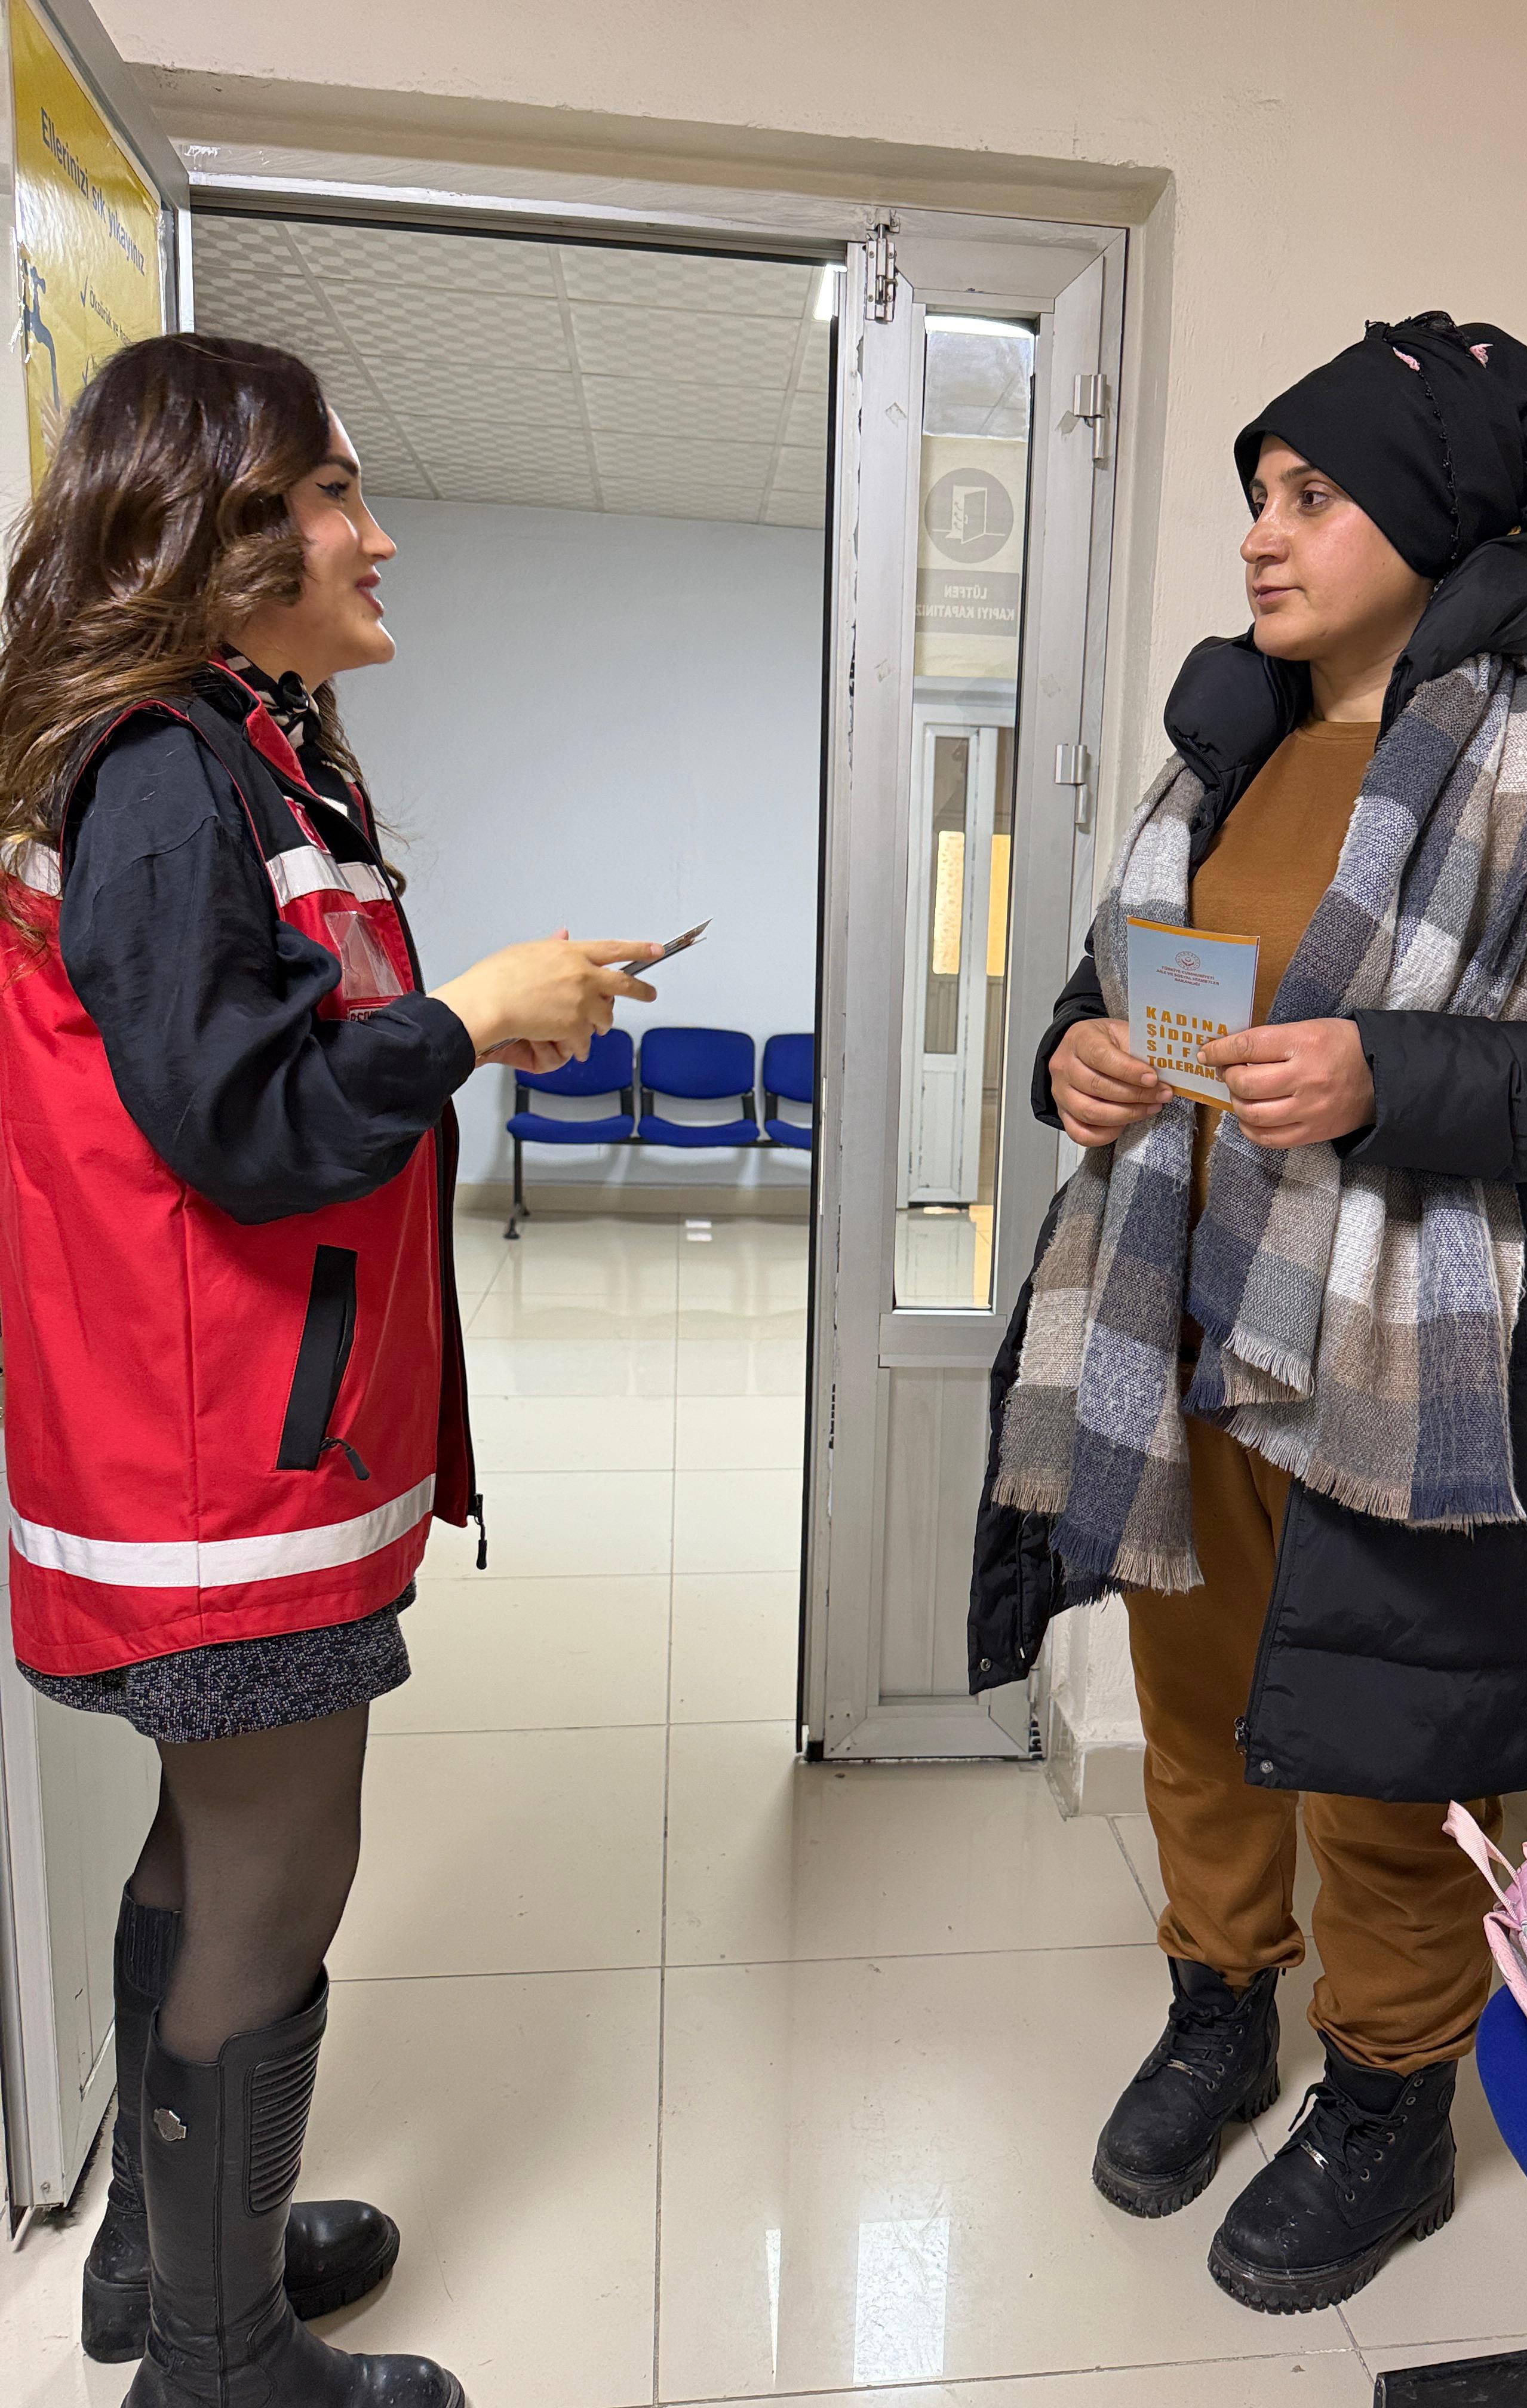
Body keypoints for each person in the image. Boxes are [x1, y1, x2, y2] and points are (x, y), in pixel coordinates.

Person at [969, 312, 1527, 2312]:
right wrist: (1072, 1057)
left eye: (1311, 494)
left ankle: (1388, 2098)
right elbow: (1122, 994)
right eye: (1258, 494)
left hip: (1409, 1374)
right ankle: (1220, 2008)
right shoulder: (1214, 762)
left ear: (1437, 516)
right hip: (1173, 1335)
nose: (1260, 532)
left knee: (1394, 1755)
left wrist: (1390, 1073)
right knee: (1199, 1722)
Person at [0, 333, 659, 2406]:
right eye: (334, 493)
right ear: (219, 527)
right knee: (277, 1876)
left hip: (238, 1437)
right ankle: (222, 2370)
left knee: (210, 1850)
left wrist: (486, 1018)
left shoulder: (246, 750)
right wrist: (469, 1016)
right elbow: (236, 1122)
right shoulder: (163, 771)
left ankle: (161, 2261)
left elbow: (269, 1058)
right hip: (220, 1462)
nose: (378, 536)